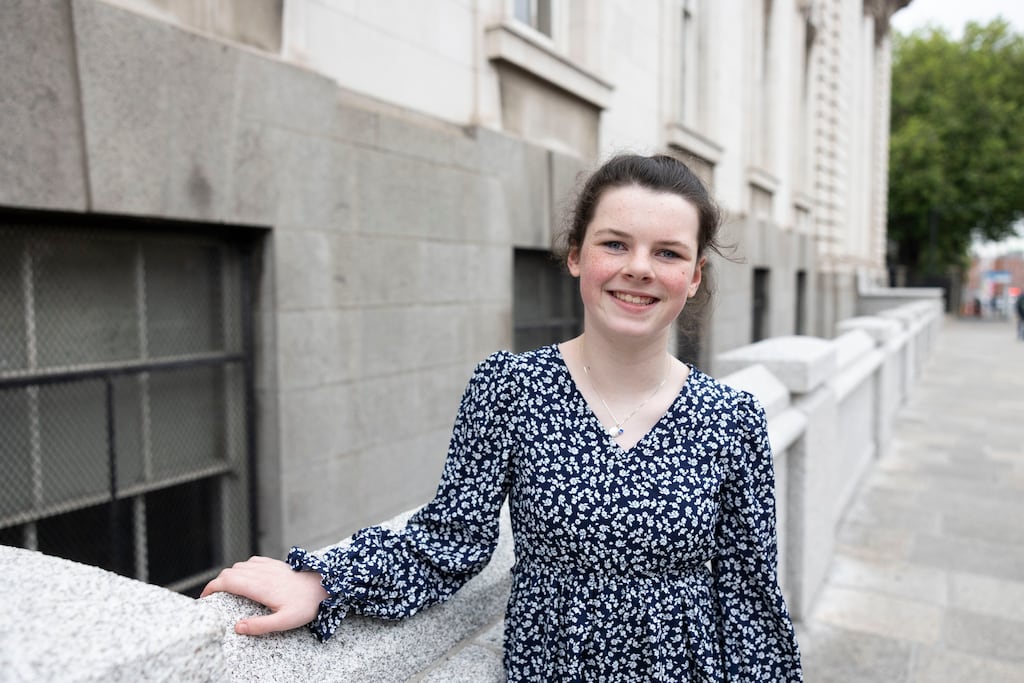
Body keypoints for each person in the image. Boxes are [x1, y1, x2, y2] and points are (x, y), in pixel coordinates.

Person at [202, 154, 803, 681]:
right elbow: (450, 539)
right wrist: (324, 580)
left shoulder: (732, 418)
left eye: (667, 252)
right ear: (576, 255)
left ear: (693, 277)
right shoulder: (510, 388)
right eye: (615, 244)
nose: (639, 268)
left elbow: (749, 604)